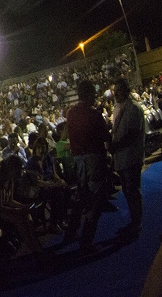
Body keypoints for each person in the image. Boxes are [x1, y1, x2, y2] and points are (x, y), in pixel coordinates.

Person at [64, 79, 111, 253]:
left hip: (78, 159)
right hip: (93, 158)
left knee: (81, 196)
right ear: (89, 94)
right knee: (96, 198)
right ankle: (86, 240)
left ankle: (71, 231)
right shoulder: (94, 114)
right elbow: (105, 137)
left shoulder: (70, 113)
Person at [111, 78, 145, 239]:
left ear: (126, 90)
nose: (115, 94)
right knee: (127, 191)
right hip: (122, 158)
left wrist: (116, 146)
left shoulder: (134, 108)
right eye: (114, 91)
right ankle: (134, 220)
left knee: (133, 191)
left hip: (131, 156)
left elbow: (132, 134)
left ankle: (137, 223)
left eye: (118, 91)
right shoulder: (117, 108)